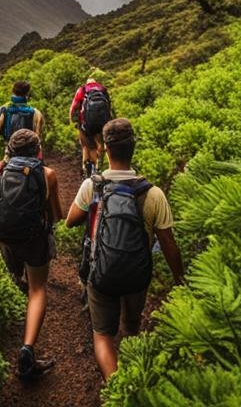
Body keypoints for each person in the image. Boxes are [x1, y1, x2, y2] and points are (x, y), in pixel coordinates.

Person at [65, 118, 183, 381]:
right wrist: (179, 279)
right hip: (136, 278)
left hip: (101, 275)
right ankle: (135, 372)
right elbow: (169, 245)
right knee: (131, 327)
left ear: (105, 149)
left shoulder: (91, 186)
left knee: (103, 336)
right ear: (133, 147)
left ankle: (118, 390)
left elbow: (71, 221)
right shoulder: (152, 194)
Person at [0, 129, 66, 379]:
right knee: (37, 289)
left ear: (11, 150)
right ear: (38, 150)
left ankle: (13, 307)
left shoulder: (0, 168)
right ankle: (27, 350)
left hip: (5, 236)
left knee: (14, 275)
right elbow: (57, 216)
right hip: (34, 240)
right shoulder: (47, 174)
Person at [69, 76, 111, 177]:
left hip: (86, 125)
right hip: (102, 123)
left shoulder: (82, 90)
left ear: (87, 83)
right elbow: (109, 106)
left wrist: (71, 119)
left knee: (88, 146)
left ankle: (89, 170)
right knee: (100, 144)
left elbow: (74, 107)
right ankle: (99, 166)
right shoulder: (103, 89)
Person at [0, 81, 44, 147]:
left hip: (11, 150)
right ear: (27, 94)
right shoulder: (36, 112)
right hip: (29, 151)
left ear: (13, 92)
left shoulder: (4, 109)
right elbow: (37, 136)